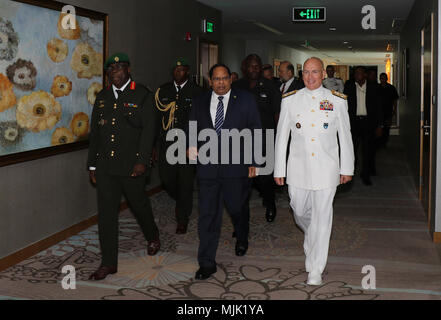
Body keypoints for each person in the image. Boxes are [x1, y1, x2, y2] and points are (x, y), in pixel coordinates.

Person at [274, 57, 354, 286]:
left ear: (323, 75)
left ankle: (315, 269)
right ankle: (311, 236)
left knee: (322, 217)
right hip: (298, 169)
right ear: (301, 75)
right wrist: (279, 169)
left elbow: (345, 136)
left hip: (327, 169)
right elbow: (282, 138)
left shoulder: (336, 101)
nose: (310, 77)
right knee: (298, 210)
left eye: (315, 72)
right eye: (306, 72)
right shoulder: (290, 100)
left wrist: (346, 167)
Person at [87, 53, 160, 280]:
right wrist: (91, 165)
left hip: (131, 166)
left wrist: (142, 161)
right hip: (106, 167)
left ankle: (153, 236)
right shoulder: (102, 97)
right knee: (106, 215)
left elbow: (149, 132)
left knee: (139, 206)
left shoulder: (142, 95)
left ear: (128, 69)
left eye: (118, 68)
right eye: (111, 69)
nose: (114, 73)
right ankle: (108, 263)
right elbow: (96, 134)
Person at [187, 64, 262, 280]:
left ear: (231, 79)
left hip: (236, 167)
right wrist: (190, 145)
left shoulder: (246, 99)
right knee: (208, 216)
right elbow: (192, 126)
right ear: (210, 81)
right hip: (208, 168)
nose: (221, 83)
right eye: (216, 79)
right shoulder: (199, 101)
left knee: (237, 207)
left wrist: (255, 160)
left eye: (224, 79)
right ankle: (207, 262)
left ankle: (242, 235)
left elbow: (256, 129)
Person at [154, 58, 203, 234]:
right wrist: (153, 145)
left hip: (187, 145)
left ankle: (182, 218)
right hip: (167, 143)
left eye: (181, 70)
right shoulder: (163, 90)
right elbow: (156, 119)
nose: (178, 73)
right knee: (167, 179)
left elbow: (201, 120)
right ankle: (183, 199)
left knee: (185, 182)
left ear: (187, 72)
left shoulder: (196, 92)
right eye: (175, 70)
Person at [233, 54, 281, 223]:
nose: (254, 69)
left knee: (265, 178)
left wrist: (278, 140)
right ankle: (241, 218)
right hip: (242, 140)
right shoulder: (237, 87)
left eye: (257, 66)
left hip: (265, 138)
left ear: (261, 68)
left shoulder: (270, 87)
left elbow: (277, 115)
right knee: (242, 179)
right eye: (251, 66)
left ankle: (270, 203)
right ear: (244, 68)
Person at [344, 66, 382, 185]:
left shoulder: (374, 88)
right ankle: (350, 174)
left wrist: (380, 125)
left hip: (368, 123)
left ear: (365, 75)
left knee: (367, 151)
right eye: (355, 73)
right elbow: (344, 106)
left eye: (360, 73)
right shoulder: (349, 86)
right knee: (352, 150)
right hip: (354, 123)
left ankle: (365, 175)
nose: (357, 75)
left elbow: (379, 108)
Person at [378, 73, 399, 148]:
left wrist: (395, 110)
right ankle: (379, 143)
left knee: (387, 128)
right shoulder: (377, 88)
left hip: (388, 111)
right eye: (381, 78)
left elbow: (395, 100)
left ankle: (384, 143)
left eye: (384, 78)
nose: (382, 79)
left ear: (387, 79)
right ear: (380, 79)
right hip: (378, 112)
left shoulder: (391, 88)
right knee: (379, 127)